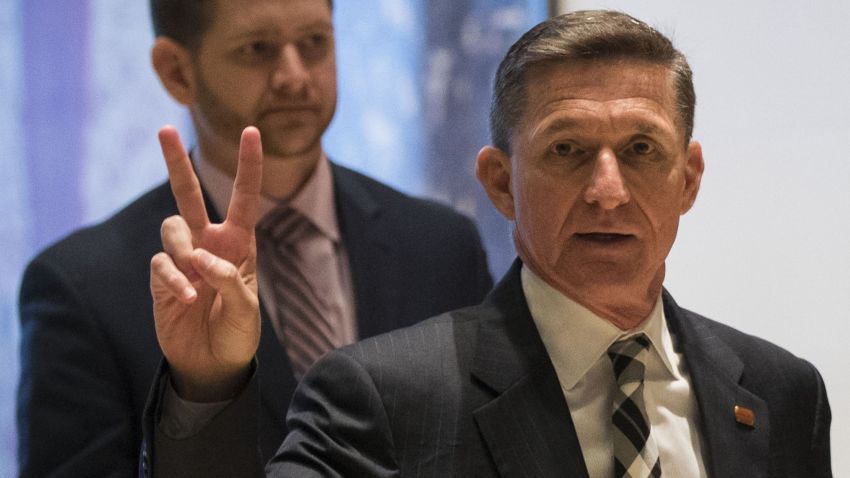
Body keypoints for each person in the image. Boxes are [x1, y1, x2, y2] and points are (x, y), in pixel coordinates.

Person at [142, 9, 832, 478]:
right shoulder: (386, 396)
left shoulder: (778, 393)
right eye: (565, 149)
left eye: (642, 149)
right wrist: (210, 388)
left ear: (688, 179)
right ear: (500, 183)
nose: (609, 190)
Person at [16, 0, 493, 475]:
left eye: (314, 43)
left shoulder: (443, 246)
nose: (295, 76)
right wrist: (203, 388)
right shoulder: (83, 286)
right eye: (257, 49)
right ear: (176, 71)